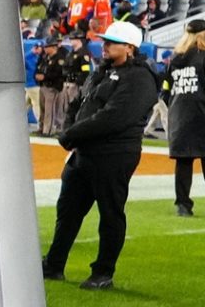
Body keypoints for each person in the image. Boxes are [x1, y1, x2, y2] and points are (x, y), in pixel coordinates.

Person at [43, 21, 160, 290]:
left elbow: (114, 118)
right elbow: (78, 103)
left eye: (111, 42)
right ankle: (54, 264)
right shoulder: (101, 72)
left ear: (130, 48)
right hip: (83, 153)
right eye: (105, 41)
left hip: (114, 155)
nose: (104, 46)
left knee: (110, 213)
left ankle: (103, 272)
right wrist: (70, 129)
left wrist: (71, 135)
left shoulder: (140, 78)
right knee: (68, 211)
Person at [166, 18, 204, 217]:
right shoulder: (203, 57)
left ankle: (183, 204)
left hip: (179, 115)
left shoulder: (175, 59)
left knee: (183, 163)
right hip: (201, 113)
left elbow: (166, 89)